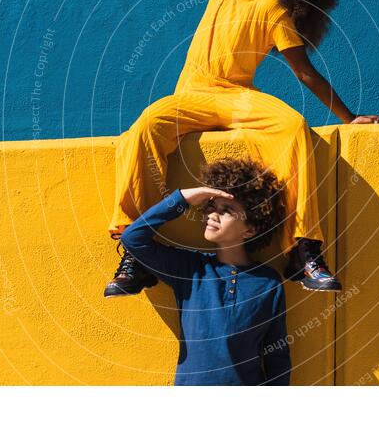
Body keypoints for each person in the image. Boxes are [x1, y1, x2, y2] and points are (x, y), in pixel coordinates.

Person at [105, 0, 379, 298]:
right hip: (192, 96)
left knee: (291, 128)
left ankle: (302, 249)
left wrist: (349, 116)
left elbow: (304, 71)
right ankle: (136, 249)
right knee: (144, 128)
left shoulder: (274, 11)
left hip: (236, 98)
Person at [119, 157, 291, 385]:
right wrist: (184, 198)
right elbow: (133, 238)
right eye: (211, 206)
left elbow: (277, 358)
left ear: (250, 229)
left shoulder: (268, 282)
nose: (212, 214)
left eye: (226, 210)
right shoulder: (190, 269)